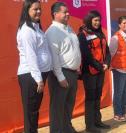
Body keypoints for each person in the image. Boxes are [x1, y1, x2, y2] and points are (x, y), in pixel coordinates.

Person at [45, 2, 81, 133]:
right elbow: (54, 57)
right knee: (57, 107)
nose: (68, 14)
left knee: (68, 105)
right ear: (55, 14)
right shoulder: (52, 31)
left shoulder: (68, 28)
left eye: (68, 11)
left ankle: (67, 128)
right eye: (64, 12)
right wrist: (60, 77)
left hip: (72, 73)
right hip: (60, 75)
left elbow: (73, 49)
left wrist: (77, 66)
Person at [16, 0, 52, 132]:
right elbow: (31, 56)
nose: (38, 11)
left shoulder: (36, 27)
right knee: (30, 113)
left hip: (38, 74)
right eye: (35, 9)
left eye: (39, 9)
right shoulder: (26, 30)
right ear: (27, 10)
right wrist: (38, 79)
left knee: (34, 111)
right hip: (30, 76)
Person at [77, 10, 111, 133]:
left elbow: (107, 51)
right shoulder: (82, 34)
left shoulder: (100, 33)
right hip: (89, 72)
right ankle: (90, 126)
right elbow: (86, 55)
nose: (97, 23)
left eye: (99, 20)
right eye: (95, 20)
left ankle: (98, 121)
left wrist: (107, 63)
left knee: (97, 97)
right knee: (90, 98)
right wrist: (99, 66)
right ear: (89, 20)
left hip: (101, 70)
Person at [109, 16, 126, 121]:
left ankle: (123, 111)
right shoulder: (115, 38)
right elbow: (110, 53)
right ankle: (118, 114)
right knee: (119, 92)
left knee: (125, 91)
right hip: (119, 69)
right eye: (124, 23)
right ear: (119, 25)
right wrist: (111, 66)